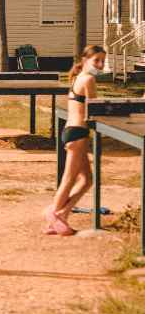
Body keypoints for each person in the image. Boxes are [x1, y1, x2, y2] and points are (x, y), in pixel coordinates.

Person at [44, 45, 106, 236]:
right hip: (77, 133)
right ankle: (53, 214)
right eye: (96, 60)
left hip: (73, 132)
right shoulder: (88, 79)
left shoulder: (79, 77)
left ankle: (62, 214)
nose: (101, 64)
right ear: (85, 60)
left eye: (103, 61)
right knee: (69, 179)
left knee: (88, 180)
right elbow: (95, 108)